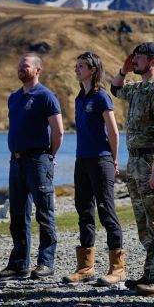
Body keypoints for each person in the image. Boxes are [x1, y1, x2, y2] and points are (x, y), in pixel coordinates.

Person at [111, 42, 154, 296]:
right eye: (134, 56)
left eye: (140, 57)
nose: (135, 59)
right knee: (143, 220)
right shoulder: (138, 88)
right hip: (135, 161)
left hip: (151, 160)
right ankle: (150, 272)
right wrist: (124, 69)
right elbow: (116, 89)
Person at [0, 53, 64, 280]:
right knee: (17, 214)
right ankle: (19, 264)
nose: (21, 69)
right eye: (19, 66)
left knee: (44, 212)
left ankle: (45, 263)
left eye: (25, 66)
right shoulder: (14, 98)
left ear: (38, 70)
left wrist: (48, 156)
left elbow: (58, 131)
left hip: (38, 160)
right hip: (16, 161)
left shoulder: (46, 97)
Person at [63, 52, 125, 287]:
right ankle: (86, 267)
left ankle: (117, 269)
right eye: (76, 65)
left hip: (101, 160)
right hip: (82, 161)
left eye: (81, 66)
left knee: (106, 212)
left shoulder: (101, 97)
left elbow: (113, 131)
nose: (76, 69)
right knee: (84, 211)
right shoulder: (80, 98)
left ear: (92, 69)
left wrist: (114, 159)